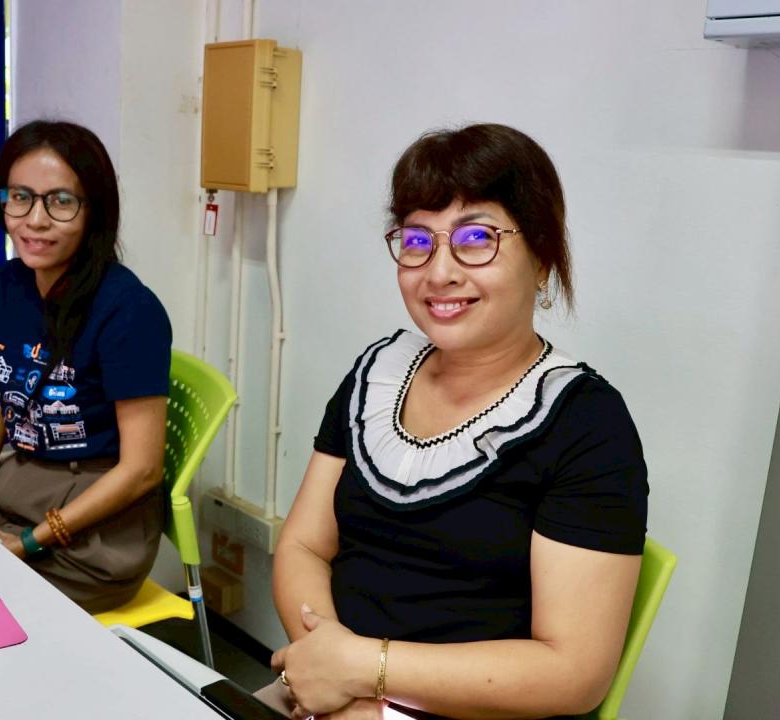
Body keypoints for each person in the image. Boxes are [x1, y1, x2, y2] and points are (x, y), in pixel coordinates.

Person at [269, 124, 648, 720]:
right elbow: (303, 546)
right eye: (417, 240)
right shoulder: (377, 373)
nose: (439, 271)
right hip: (328, 695)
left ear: (543, 258)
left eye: (476, 238)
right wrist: (335, 679)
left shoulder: (587, 425)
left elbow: (573, 672)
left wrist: (364, 673)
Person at [0, 120, 171, 614]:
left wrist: (26, 543)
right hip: (19, 488)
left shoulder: (129, 310)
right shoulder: (6, 289)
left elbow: (142, 469)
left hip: (97, 529)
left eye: (60, 201)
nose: (35, 220)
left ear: (93, 211)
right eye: (20, 197)